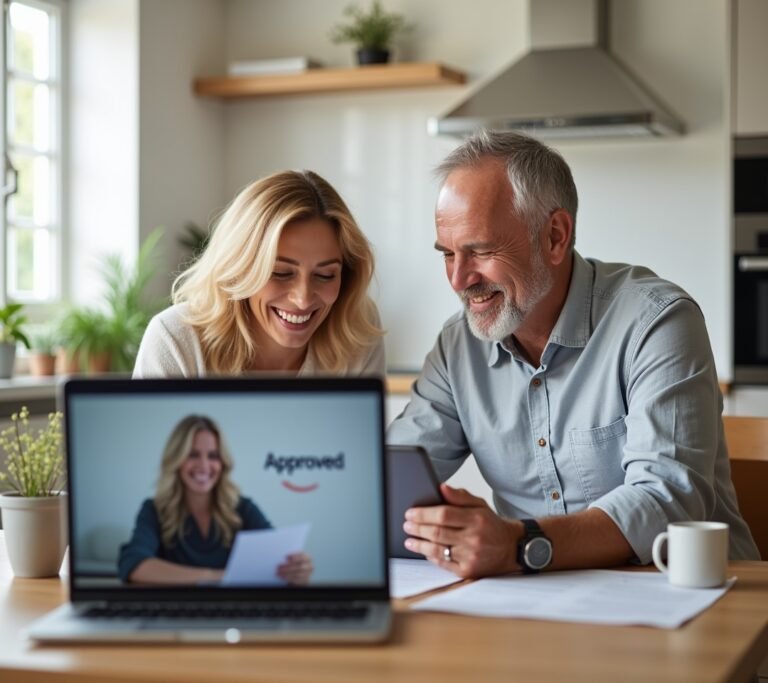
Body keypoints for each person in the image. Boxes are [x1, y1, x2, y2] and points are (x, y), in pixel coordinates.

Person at [387, 130, 760, 579]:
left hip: (691, 598)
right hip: (535, 603)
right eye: (447, 254)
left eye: (480, 251)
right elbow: (392, 476)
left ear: (555, 236)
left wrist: (518, 544)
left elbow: (666, 500)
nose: (458, 279)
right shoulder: (458, 347)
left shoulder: (657, 322)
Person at [133, 170, 384, 377]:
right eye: (281, 273)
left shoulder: (357, 327)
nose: (303, 298)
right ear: (239, 269)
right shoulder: (175, 340)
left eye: (326, 275)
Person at [118, 415, 313, 584]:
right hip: (178, 612)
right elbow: (135, 565)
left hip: (235, 612)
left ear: (223, 462)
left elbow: (275, 562)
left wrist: (297, 569)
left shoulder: (243, 508)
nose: (204, 466)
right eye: (193, 455)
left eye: (213, 456)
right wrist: (216, 576)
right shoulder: (154, 509)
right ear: (176, 460)